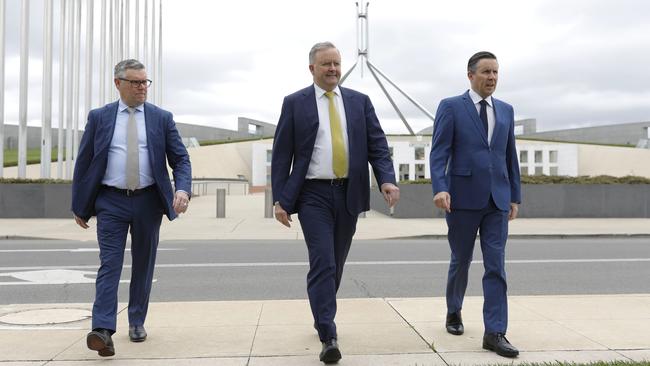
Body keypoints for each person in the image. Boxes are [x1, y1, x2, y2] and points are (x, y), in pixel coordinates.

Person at [271, 41, 400, 364]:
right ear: (312, 68)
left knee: (336, 264)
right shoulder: (295, 103)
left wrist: (386, 178)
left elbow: (377, 145)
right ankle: (328, 334)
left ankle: (321, 312)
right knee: (324, 261)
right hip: (312, 194)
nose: (333, 70)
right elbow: (282, 155)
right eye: (326, 64)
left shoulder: (360, 102)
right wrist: (280, 200)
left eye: (337, 64)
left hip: (349, 193)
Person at [72, 59, 192, 357]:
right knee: (109, 263)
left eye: (145, 82)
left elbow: (181, 159)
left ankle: (136, 320)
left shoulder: (161, 118)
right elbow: (85, 161)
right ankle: (102, 329)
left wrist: (182, 188)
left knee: (143, 262)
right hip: (110, 200)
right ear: (118, 84)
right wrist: (80, 205)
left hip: (149, 200)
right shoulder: (99, 117)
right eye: (136, 82)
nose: (142, 87)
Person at [429, 51, 521, 358]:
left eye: (496, 72)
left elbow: (510, 157)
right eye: (486, 72)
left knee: (496, 265)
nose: (492, 77)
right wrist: (440, 188)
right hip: (462, 198)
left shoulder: (506, 110)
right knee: (462, 259)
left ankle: (495, 332)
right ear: (471, 75)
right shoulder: (451, 107)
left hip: (497, 199)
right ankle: (454, 310)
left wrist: (514, 196)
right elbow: (439, 152)